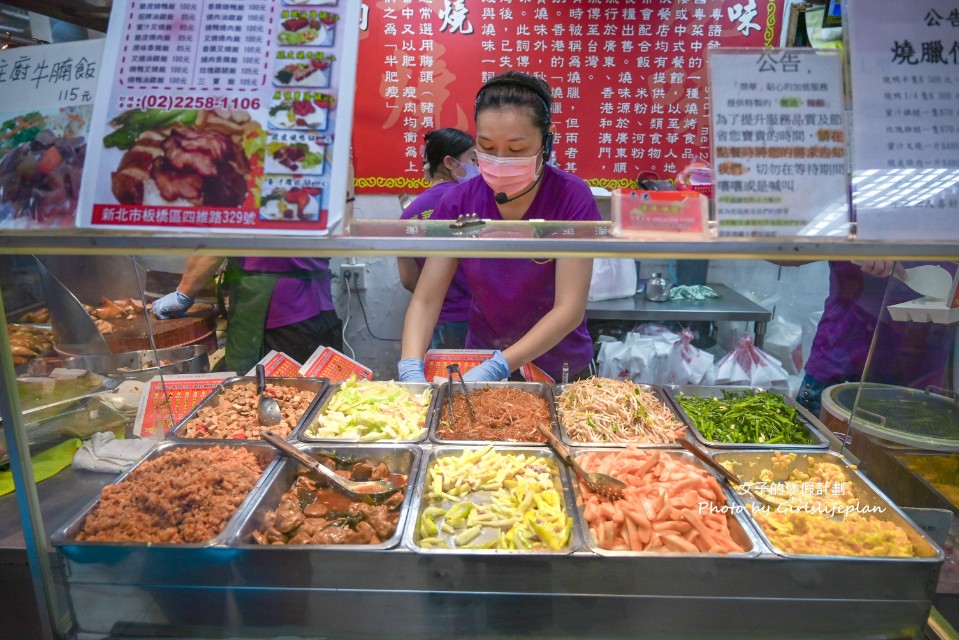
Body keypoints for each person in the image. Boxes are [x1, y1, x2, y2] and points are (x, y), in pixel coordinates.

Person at [397, 71, 602, 383]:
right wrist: (410, 365)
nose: (501, 160)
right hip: (480, 360)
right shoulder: (458, 200)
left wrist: (499, 366)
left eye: (517, 150)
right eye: (487, 147)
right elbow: (426, 298)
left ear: (547, 139)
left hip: (559, 367)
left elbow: (569, 308)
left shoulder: (571, 197)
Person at [781, 259, 954, 418]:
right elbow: (781, 247)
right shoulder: (858, 226)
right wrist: (859, 244)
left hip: (926, 379)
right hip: (842, 365)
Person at [152, 256, 341, 374]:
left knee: (270, 398)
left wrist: (184, 293)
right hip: (320, 302)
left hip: (274, 310)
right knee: (317, 393)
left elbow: (216, 240)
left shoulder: (243, 192)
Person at [398, 128, 477, 349]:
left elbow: (408, 278)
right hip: (476, 316)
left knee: (442, 380)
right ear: (450, 163)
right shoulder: (470, 202)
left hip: (434, 318)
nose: (477, 167)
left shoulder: (410, 212)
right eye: (472, 159)